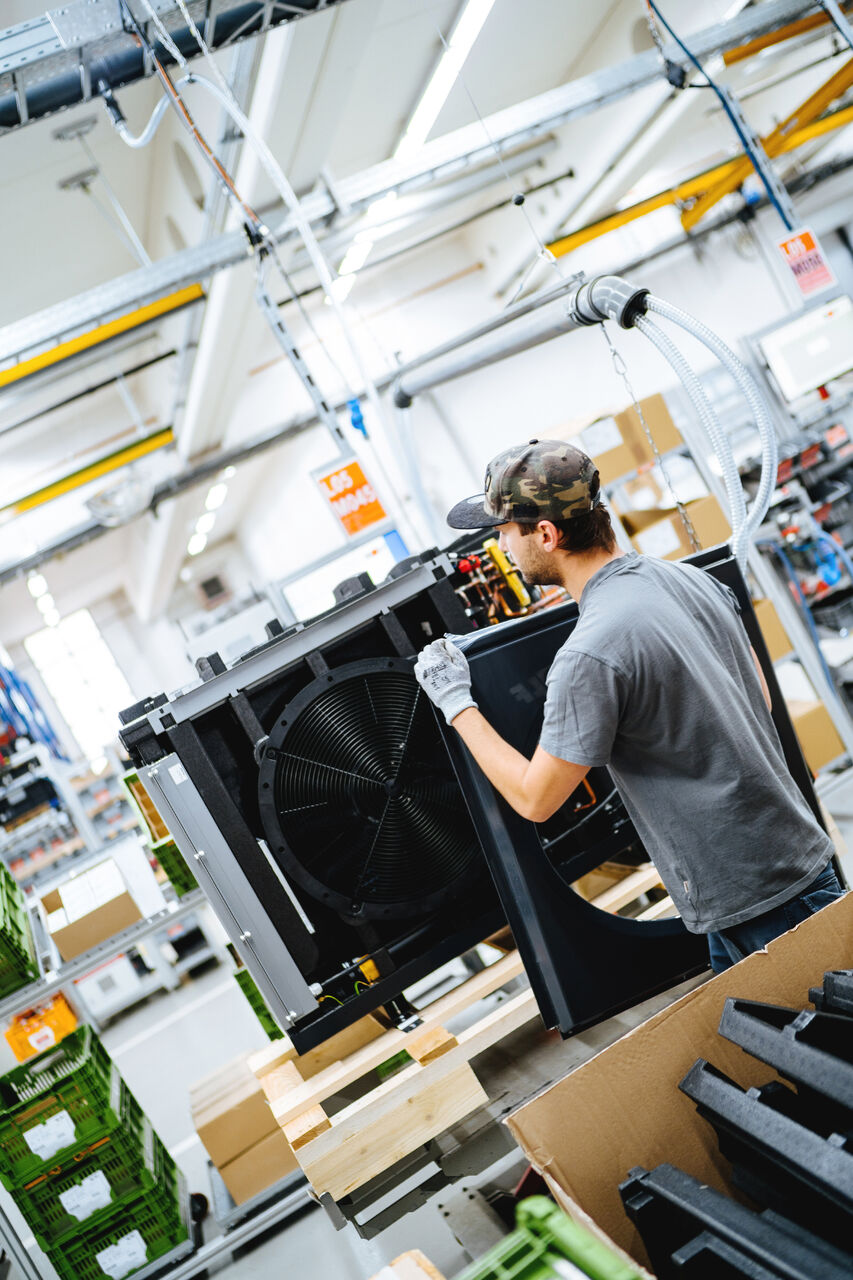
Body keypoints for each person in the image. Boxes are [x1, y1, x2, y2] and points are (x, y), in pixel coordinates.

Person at [414, 438, 844, 973]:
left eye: (504, 531)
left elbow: (535, 798)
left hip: (759, 900)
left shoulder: (590, 652)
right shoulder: (691, 579)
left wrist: (455, 700)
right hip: (781, 868)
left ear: (545, 534)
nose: (502, 545)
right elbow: (757, 695)